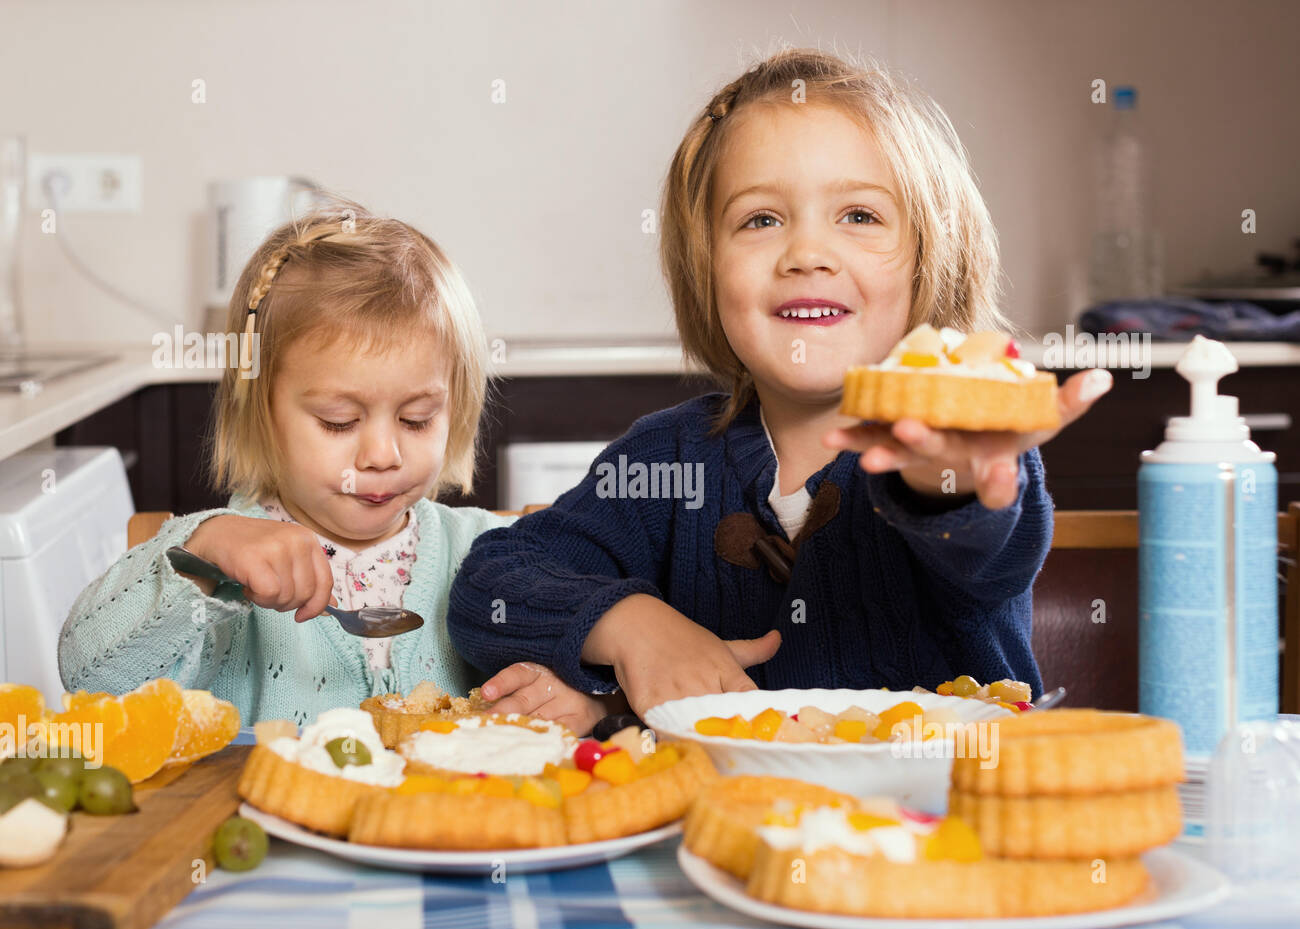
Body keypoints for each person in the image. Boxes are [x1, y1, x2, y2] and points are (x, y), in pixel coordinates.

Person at [447, 48, 1114, 716]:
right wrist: (631, 627)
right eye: (761, 219)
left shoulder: (969, 447)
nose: (807, 255)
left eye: (859, 215)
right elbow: (490, 581)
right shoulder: (664, 460)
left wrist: (948, 481)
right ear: (706, 269)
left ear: (930, 259)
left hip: (943, 816)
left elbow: (984, 540)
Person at [59, 199, 614, 733]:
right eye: (339, 421)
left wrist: (583, 702)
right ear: (262, 412)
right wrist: (200, 559)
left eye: (417, 419)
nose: (382, 456)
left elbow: (607, 676)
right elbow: (89, 681)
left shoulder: (498, 556)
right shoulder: (219, 564)